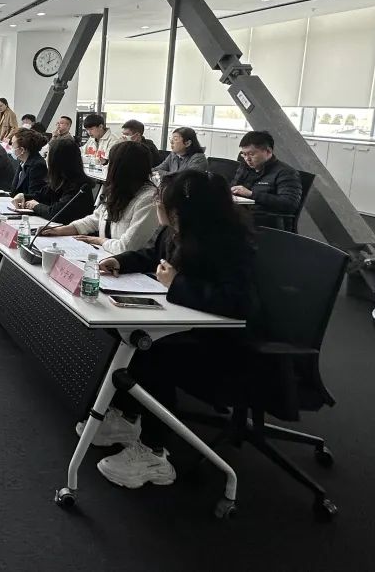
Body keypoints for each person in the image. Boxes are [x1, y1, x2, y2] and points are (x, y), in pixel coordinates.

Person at [79, 170, 256, 489]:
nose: (156, 205)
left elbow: (238, 302)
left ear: (180, 210)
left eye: (161, 201)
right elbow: (153, 256)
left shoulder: (228, 244)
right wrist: (121, 261)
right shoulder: (178, 231)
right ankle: (128, 417)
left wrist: (177, 284)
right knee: (122, 334)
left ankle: (154, 453)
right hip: (183, 320)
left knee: (150, 349)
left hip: (220, 340)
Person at [37, 140, 158, 255]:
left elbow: (126, 247)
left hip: (129, 265)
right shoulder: (119, 190)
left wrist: (98, 240)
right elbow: (95, 219)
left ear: (122, 168)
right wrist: (59, 230)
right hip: (106, 255)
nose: (107, 167)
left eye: (110, 163)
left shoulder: (148, 199)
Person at [231, 130, 303, 228]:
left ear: (268, 151)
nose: (247, 159)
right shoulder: (245, 168)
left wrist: (251, 194)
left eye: (251, 154)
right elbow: (234, 188)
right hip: (243, 217)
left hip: (266, 223)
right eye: (244, 154)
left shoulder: (286, 173)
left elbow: (289, 204)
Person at [16, 137, 96, 223]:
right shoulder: (60, 180)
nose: (45, 158)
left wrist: (35, 206)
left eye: (47, 155)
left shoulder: (79, 186)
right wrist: (24, 196)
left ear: (56, 159)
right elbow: (41, 196)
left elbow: (56, 213)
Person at [9, 129, 49, 201]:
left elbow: (34, 196)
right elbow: (14, 190)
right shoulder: (22, 161)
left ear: (22, 150)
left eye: (12, 144)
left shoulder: (37, 165)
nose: (11, 147)